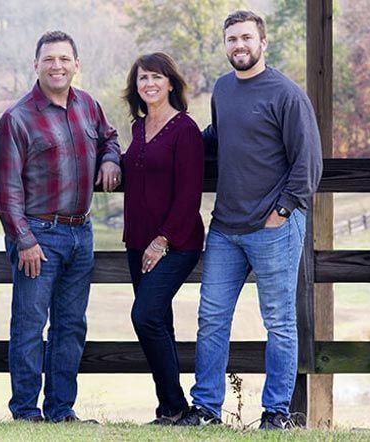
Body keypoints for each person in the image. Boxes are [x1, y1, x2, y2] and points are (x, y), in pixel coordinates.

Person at [176, 10, 322, 429]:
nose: (238, 46)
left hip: (272, 227)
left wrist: (282, 211)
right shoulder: (223, 90)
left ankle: (276, 413)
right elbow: (216, 140)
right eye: (232, 40)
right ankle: (206, 408)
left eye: (246, 38)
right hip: (225, 228)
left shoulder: (287, 94)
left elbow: (307, 162)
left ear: (262, 42)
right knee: (212, 316)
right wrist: (171, 141)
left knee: (278, 321)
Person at [0, 30, 121, 423]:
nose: (57, 66)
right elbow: (6, 189)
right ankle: (26, 412)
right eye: (49, 59)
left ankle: (62, 409)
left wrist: (111, 159)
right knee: (30, 326)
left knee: (71, 326)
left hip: (81, 233)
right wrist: (25, 240)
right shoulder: (17, 118)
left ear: (76, 65)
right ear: (36, 65)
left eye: (65, 59)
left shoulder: (89, 106)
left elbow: (110, 137)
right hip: (39, 235)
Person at [121, 52, 204, 425]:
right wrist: (109, 161)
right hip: (136, 242)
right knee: (160, 322)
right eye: (142, 79)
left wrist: (162, 240)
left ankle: (174, 405)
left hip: (177, 242)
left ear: (171, 82)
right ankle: (169, 410)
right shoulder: (139, 128)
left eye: (156, 77)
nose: (149, 84)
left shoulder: (185, 129)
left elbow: (189, 195)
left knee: (146, 315)